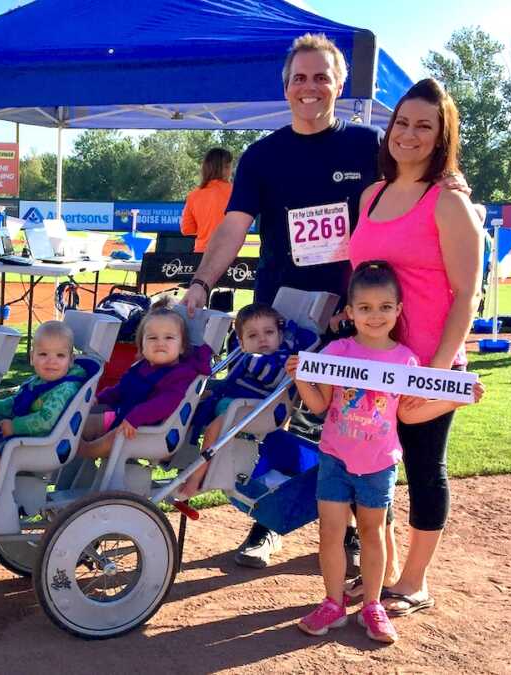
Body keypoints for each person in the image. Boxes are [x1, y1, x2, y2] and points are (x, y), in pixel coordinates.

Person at [181, 33, 381, 568]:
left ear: (339, 84)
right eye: (299, 78)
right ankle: (266, 525)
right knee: (272, 420)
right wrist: (200, 282)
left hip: (351, 317)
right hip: (277, 316)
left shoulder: (366, 146)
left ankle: (357, 537)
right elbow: (233, 227)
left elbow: (386, 224)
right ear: (286, 86)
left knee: (352, 426)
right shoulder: (262, 156)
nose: (309, 87)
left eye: (321, 77)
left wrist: (364, 299)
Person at [287, 261, 483, 643]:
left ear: (398, 309)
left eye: (384, 307)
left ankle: (372, 604)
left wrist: (455, 402)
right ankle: (332, 602)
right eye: (364, 308)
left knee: (373, 532)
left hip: (378, 463)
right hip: (336, 457)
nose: (374, 316)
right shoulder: (338, 352)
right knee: (331, 531)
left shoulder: (405, 360)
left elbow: (410, 414)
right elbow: (320, 406)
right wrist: (300, 378)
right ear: (350, 312)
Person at [348, 78, 484, 617]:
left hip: (427, 359)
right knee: (371, 465)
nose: (409, 134)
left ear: (440, 135)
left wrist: (435, 370)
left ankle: (415, 580)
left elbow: (467, 295)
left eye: (424, 126)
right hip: (372, 361)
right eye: (402, 122)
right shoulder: (371, 195)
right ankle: (384, 572)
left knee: (426, 468)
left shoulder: (448, 200)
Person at [176, 303, 292, 501]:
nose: (262, 339)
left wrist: (251, 358)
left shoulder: (280, 359)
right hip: (236, 403)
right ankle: (177, 458)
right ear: (242, 343)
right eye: (253, 336)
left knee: (214, 428)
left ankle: (196, 478)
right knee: (190, 404)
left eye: (269, 332)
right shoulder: (248, 356)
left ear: (280, 336)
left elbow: (271, 378)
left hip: (261, 409)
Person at [0, 321, 87, 525]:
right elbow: (13, 404)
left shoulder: (64, 389)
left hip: (45, 444)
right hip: (27, 441)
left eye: (60, 356)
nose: (51, 361)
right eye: (43, 354)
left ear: (70, 360)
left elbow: (46, 420)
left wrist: (14, 427)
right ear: (32, 357)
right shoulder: (36, 382)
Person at [78, 298, 212, 459]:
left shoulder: (181, 374)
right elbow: (122, 389)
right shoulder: (142, 367)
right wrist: (99, 398)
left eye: (169, 338)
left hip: (149, 428)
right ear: (142, 346)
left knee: (113, 436)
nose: (160, 343)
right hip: (124, 418)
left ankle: (88, 452)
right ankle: (75, 455)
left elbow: (165, 403)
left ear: (182, 346)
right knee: (78, 423)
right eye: (152, 338)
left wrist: (136, 416)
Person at [181, 147, 233, 253]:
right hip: (227, 254)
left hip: (200, 254)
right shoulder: (236, 192)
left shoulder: (193, 195)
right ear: (226, 168)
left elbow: (187, 229)